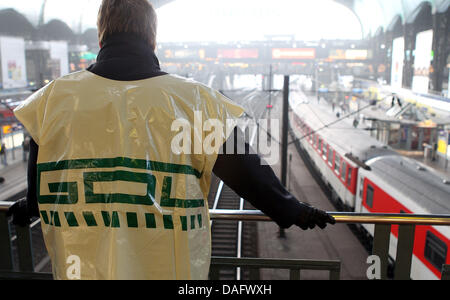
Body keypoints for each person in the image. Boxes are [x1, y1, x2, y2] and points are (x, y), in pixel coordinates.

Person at [7, 0, 335, 280]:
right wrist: (293, 210)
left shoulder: (52, 100)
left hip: (82, 269)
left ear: (101, 33)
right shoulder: (196, 100)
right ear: (152, 37)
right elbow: (247, 172)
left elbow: (43, 171)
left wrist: (31, 205)